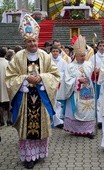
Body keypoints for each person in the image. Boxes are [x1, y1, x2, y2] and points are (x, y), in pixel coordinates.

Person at [5, 14, 60, 169]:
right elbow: (10, 77)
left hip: (41, 98)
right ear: (25, 42)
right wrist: (24, 78)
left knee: (41, 126)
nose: (32, 43)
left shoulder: (45, 56)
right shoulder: (17, 57)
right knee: (26, 128)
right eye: (29, 41)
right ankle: (28, 157)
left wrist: (42, 78)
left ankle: (39, 154)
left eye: (34, 40)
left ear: (37, 40)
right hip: (25, 98)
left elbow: (55, 75)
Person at [63, 35, 96, 139]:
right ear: (76, 55)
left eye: (84, 55)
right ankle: (76, 130)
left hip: (88, 92)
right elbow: (67, 80)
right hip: (76, 93)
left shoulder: (89, 64)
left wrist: (96, 73)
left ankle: (89, 130)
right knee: (78, 110)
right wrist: (78, 80)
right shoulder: (70, 66)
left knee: (89, 110)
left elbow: (93, 77)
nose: (83, 57)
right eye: (81, 55)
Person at [90, 40, 104, 129]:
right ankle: (99, 120)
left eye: (103, 45)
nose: (102, 47)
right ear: (97, 47)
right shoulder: (93, 57)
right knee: (98, 100)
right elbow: (90, 68)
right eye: (100, 45)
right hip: (97, 81)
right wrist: (94, 70)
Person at [50, 45, 68, 128]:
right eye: (53, 51)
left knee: (59, 103)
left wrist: (59, 76)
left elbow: (66, 72)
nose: (55, 53)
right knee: (52, 101)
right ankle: (51, 119)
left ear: (59, 52)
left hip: (60, 84)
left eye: (57, 51)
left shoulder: (63, 62)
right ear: (51, 52)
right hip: (50, 83)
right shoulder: (48, 61)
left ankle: (59, 120)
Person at [0, 47, 10, 127]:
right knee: (8, 103)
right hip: (7, 85)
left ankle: (1, 120)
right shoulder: (8, 63)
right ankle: (9, 120)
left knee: (0, 104)